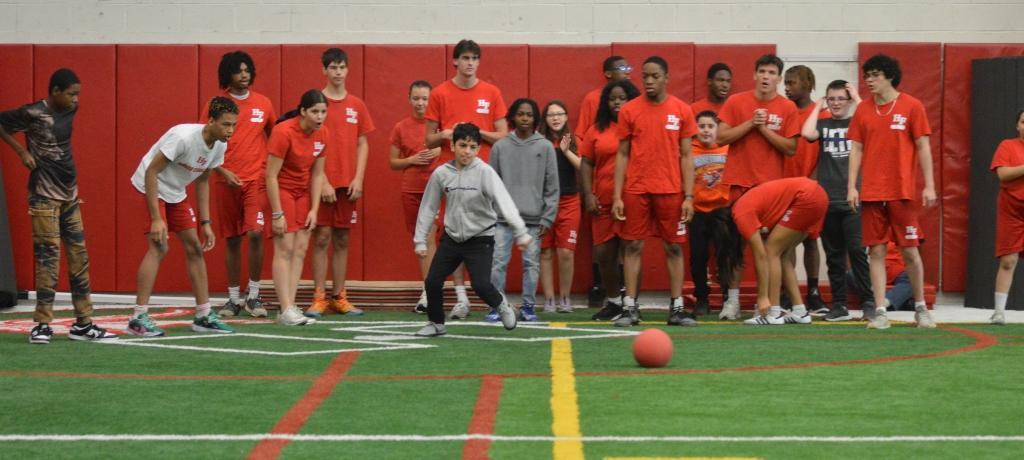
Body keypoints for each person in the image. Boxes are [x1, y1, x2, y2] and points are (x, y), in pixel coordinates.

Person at [0, 68, 118, 344]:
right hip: (43, 195)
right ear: (55, 91)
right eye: (71, 94)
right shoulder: (33, 113)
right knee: (48, 258)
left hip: (70, 196)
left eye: (77, 94)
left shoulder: (69, 110)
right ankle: (42, 324)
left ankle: (83, 323)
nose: (76, 100)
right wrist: (22, 152)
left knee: (79, 257)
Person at [127, 96, 239, 337]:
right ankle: (138, 318)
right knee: (159, 247)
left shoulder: (220, 144)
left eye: (233, 125)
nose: (230, 130)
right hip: (151, 185)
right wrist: (157, 218)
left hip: (176, 191)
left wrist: (205, 223)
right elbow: (151, 171)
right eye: (226, 124)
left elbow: (202, 181)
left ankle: (203, 315)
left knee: (195, 248)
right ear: (210, 121)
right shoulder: (183, 138)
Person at [413, 123, 530, 337]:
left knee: (481, 284)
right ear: (452, 145)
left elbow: (504, 201)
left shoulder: (485, 172)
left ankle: (502, 305)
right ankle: (436, 324)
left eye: (473, 147)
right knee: (432, 280)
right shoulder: (441, 174)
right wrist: (420, 239)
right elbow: (428, 207)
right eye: (463, 145)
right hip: (452, 238)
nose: (467, 151)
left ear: (478, 149)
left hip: (480, 238)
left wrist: (521, 232)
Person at [848, 54, 937, 330]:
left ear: (889, 76)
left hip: (902, 192)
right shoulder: (863, 110)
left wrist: (930, 185)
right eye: (867, 76)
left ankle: (921, 308)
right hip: (872, 192)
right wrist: (852, 185)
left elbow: (923, 146)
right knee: (875, 251)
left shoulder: (912, 106)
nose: (869, 81)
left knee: (910, 251)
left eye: (875, 75)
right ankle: (880, 310)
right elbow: (857, 149)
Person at [611, 56, 698, 327]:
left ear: (666, 77)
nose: (649, 81)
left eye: (655, 76)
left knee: (673, 247)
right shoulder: (629, 111)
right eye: (645, 76)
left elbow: (686, 155)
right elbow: (622, 155)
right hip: (636, 189)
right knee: (633, 245)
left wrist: (689, 196)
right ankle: (630, 308)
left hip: (671, 190)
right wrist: (617, 195)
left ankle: (677, 308)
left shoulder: (682, 110)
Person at [425, 39, 508, 317]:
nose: (470, 63)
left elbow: (502, 134)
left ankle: (490, 293)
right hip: (452, 176)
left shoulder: (491, 92)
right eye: (465, 58)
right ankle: (461, 298)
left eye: (475, 58)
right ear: (455, 62)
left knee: (482, 233)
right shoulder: (439, 93)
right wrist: (448, 134)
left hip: (483, 175)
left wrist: (473, 133)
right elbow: (429, 138)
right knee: (452, 233)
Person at [717, 54, 800, 321]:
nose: (766, 76)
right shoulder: (736, 102)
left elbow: (791, 148)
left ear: (778, 78)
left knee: (769, 248)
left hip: (771, 190)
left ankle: (765, 305)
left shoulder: (787, 108)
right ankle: (732, 301)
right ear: (754, 74)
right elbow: (720, 136)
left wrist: (763, 129)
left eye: (771, 72)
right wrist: (751, 123)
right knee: (735, 246)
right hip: (739, 183)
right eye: (762, 71)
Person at [206, 51, 277, 319]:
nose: (244, 75)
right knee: (233, 239)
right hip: (225, 181)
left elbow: (275, 137)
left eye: (247, 70)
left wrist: (269, 170)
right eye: (238, 71)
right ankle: (233, 299)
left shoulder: (264, 104)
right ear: (228, 74)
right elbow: (205, 139)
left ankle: (255, 295)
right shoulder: (216, 104)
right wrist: (222, 171)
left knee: (256, 233)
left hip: (255, 180)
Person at [307, 47, 373, 318]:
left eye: (341, 67)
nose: (337, 72)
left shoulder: (356, 105)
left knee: (343, 240)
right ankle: (319, 297)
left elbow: (363, 143)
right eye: (332, 67)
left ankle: (340, 297)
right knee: (321, 238)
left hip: (348, 185)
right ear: (324, 70)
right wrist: (321, 181)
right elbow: (308, 143)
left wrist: (358, 177)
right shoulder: (317, 102)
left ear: (348, 70)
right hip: (322, 184)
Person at [801, 79, 872, 322]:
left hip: (852, 198)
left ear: (850, 100)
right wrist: (817, 106)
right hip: (827, 198)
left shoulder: (858, 121)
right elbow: (806, 133)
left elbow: (874, 121)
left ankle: (869, 302)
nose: (836, 103)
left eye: (841, 98)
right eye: (832, 99)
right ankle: (839, 304)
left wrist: (858, 99)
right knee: (834, 255)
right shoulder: (823, 122)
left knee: (857, 251)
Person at [489, 98, 559, 322]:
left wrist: (547, 219)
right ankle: (496, 306)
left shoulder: (545, 146)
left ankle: (528, 306)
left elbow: (552, 186)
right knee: (499, 261)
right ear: (513, 117)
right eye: (521, 114)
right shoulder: (500, 147)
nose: (525, 118)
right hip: (502, 220)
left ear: (535, 118)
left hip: (533, 220)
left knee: (531, 263)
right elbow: (491, 184)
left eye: (529, 115)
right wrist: (491, 215)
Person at [266, 90, 329, 327]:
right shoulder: (283, 132)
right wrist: (277, 212)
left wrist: (314, 209)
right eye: (315, 111)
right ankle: (284, 307)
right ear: (303, 111)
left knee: (301, 248)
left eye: (323, 112)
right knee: (285, 247)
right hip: (281, 190)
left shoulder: (323, 133)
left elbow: (318, 174)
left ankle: (290, 306)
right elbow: (270, 176)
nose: (320, 116)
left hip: (303, 193)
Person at [580, 79, 641, 321]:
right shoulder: (596, 129)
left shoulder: (638, 127)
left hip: (633, 198)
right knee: (604, 254)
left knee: (632, 250)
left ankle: (631, 303)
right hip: (603, 200)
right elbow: (586, 162)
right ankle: (614, 302)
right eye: (612, 98)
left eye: (622, 98)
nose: (616, 102)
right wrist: (587, 194)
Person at [387, 80, 451, 314]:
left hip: (435, 190)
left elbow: (458, 150)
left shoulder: (439, 127)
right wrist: (412, 160)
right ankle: (429, 288)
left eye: (425, 98)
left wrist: (438, 149)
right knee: (420, 241)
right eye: (416, 98)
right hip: (410, 190)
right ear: (409, 99)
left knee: (431, 237)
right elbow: (393, 163)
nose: (421, 103)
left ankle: (430, 292)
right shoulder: (400, 127)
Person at [729, 177, 828, 325]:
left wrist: (763, 297)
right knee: (783, 255)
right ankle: (800, 311)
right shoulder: (752, 208)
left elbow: (761, 255)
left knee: (771, 250)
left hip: (806, 196)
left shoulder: (740, 213)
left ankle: (773, 312)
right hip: (817, 194)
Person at [782, 65, 827, 314]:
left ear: (808, 84)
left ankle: (813, 292)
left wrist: (814, 181)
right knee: (786, 242)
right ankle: (789, 293)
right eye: (785, 83)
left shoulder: (821, 114)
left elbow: (826, 153)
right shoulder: (783, 110)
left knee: (811, 240)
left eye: (792, 83)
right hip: (785, 187)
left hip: (810, 187)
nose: (787, 88)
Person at [688, 110, 736, 316]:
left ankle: (728, 297)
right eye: (701, 126)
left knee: (726, 255)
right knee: (698, 257)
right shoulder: (690, 149)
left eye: (710, 126)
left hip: (722, 209)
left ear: (718, 129)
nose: (706, 130)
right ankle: (702, 297)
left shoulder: (728, 147)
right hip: (698, 210)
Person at [539, 100, 581, 314]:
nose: (555, 118)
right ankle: (549, 299)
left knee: (566, 252)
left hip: (569, 201)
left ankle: (565, 297)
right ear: (545, 119)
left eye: (559, 114)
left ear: (566, 117)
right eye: (550, 114)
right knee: (545, 251)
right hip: (544, 204)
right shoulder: (539, 142)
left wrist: (566, 152)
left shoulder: (573, 140)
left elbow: (583, 167)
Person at [988, 110, 1024, 325]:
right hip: (1011, 208)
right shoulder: (1007, 146)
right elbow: (1003, 174)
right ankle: (999, 312)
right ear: (1017, 125)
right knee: (1008, 260)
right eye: (1023, 121)